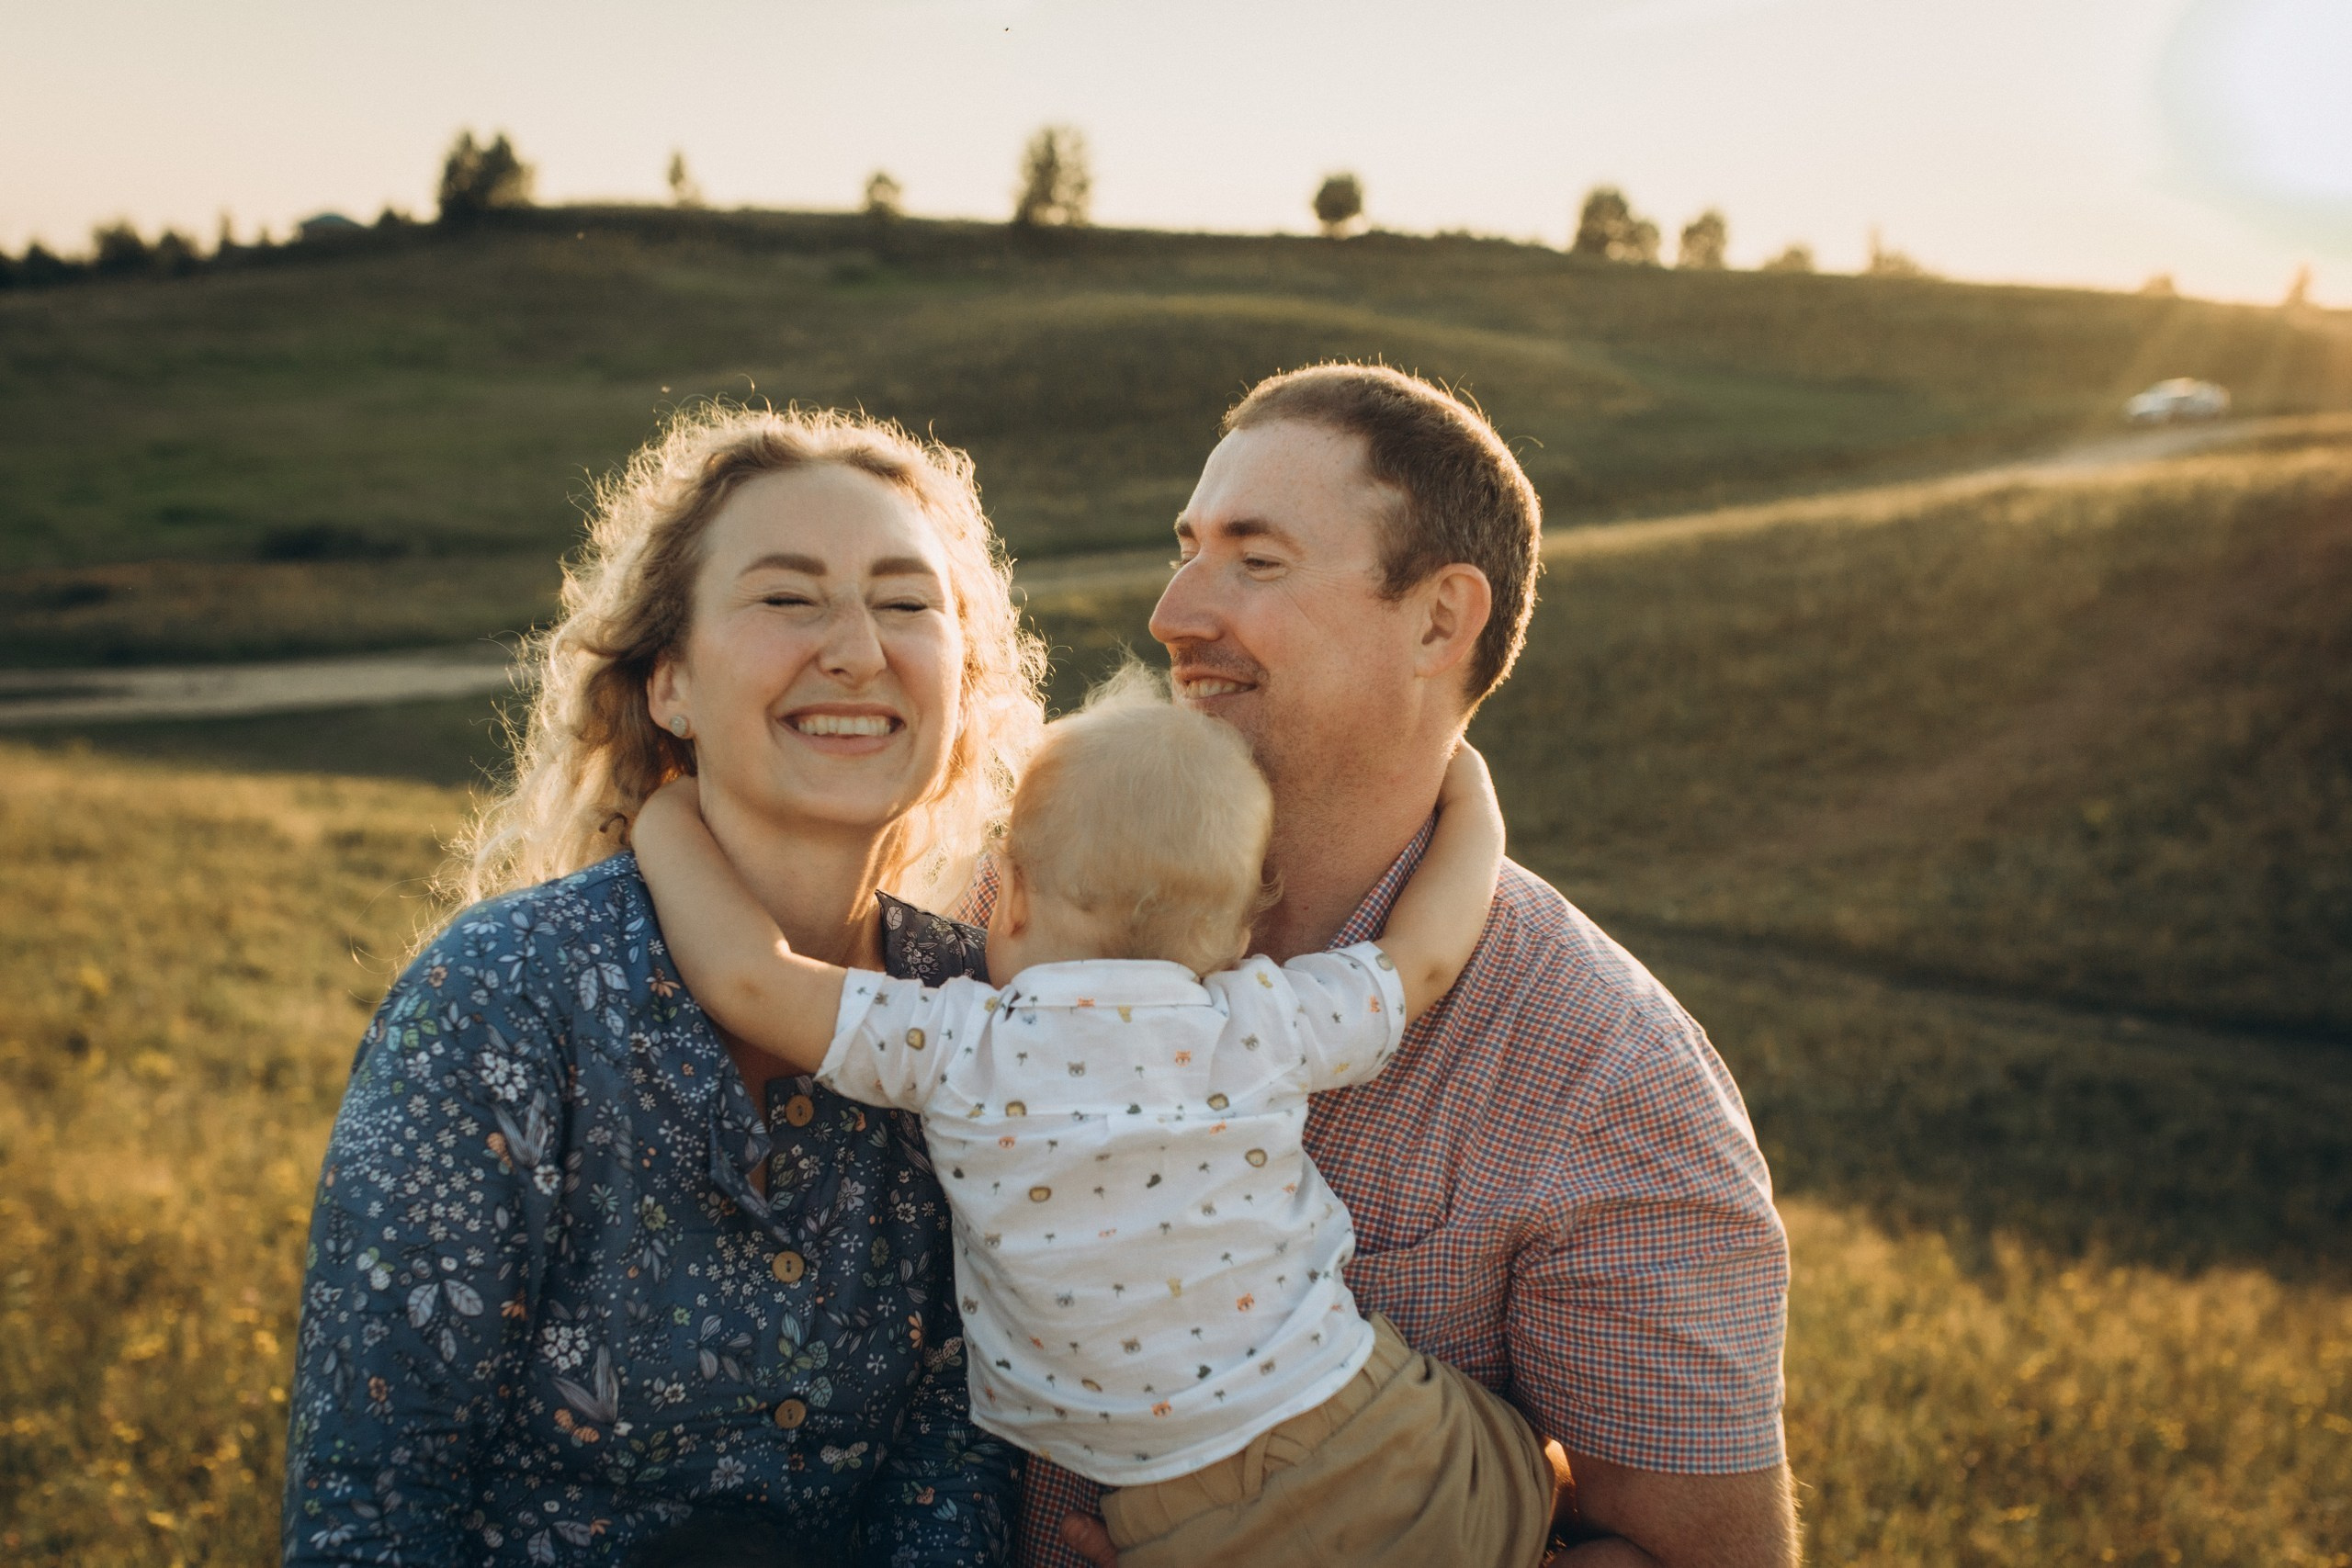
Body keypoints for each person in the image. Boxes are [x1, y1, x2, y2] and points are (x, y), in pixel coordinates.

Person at [1019, 365, 1798, 1568]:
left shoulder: (1605, 1075)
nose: (1175, 610)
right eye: (1188, 548)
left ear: (1440, 620)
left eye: (1254, 559)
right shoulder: (1027, 890)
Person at [280, 406, 1045, 1565]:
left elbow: (958, 1471)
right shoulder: (499, 999)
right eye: (788, 598)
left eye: (906, 603)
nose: (855, 648)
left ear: (964, 682)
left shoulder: (981, 1014)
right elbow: (376, 1509)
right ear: (669, 685)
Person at [631, 668, 1558, 1566]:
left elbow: (749, 978)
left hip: (1177, 1520)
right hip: (1366, 1425)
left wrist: (667, 815)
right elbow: (1427, 955)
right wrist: (1472, 795)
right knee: (1532, 1510)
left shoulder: (960, 1046)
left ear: (1016, 895)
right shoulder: (1259, 1022)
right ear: (1238, 936)